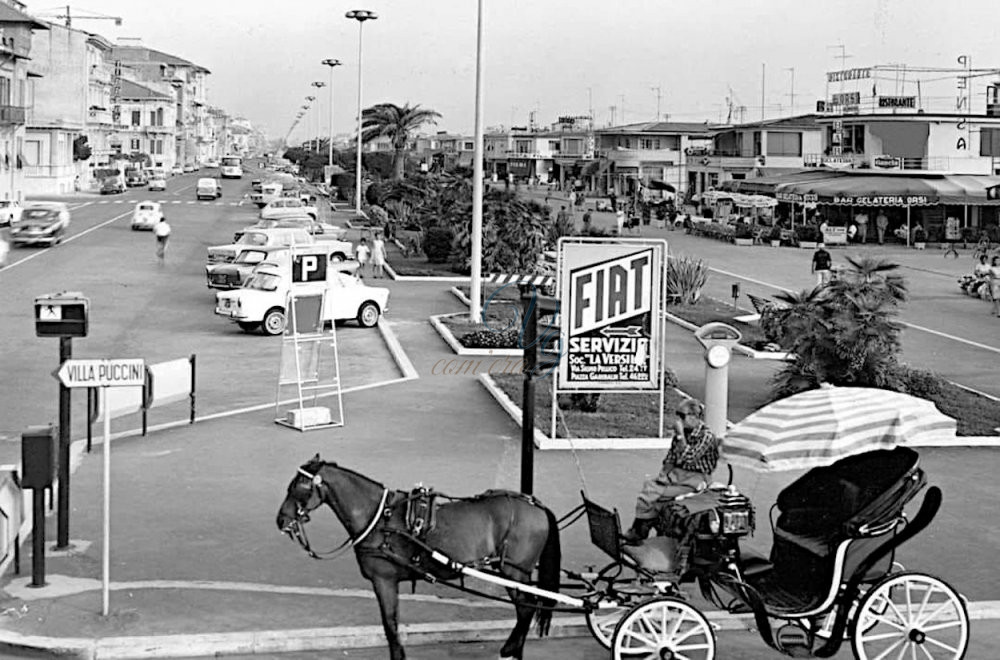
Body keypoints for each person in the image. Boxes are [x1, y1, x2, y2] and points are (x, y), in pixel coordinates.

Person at [624, 399, 720, 542]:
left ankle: (639, 532)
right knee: (651, 488)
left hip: (696, 480)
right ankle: (644, 531)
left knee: (651, 495)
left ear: (694, 416)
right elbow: (671, 457)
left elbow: (689, 458)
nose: (678, 420)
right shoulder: (683, 433)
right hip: (678, 475)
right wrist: (663, 475)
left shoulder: (706, 436)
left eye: (682, 416)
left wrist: (680, 435)